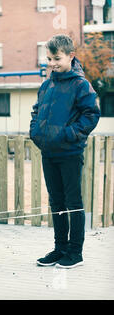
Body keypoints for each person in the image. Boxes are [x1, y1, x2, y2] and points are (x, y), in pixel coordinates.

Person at [30, 34, 100, 269]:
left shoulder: (81, 85)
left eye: (57, 58)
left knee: (73, 202)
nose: (52, 63)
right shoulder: (47, 84)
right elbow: (36, 110)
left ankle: (75, 252)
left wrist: (67, 135)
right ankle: (60, 249)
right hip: (48, 153)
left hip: (69, 153)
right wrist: (35, 132)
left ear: (70, 56)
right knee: (56, 202)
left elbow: (91, 115)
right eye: (49, 58)